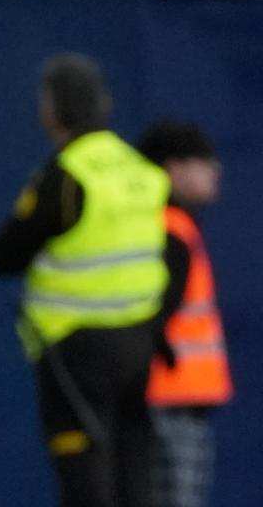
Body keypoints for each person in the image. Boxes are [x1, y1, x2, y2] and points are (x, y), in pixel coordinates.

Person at [0, 53, 183, 507]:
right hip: (137, 343)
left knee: (84, 476)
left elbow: (2, 256)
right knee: (134, 466)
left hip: (75, 348)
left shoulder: (68, 175)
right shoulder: (143, 171)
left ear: (51, 108)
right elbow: (177, 253)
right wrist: (156, 326)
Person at [139, 121, 233, 507]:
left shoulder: (174, 228)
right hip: (167, 399)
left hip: (175, 399)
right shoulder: (169, 230)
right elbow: (153, 313)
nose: (215, 169)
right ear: (172, 168)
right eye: (202, 159)